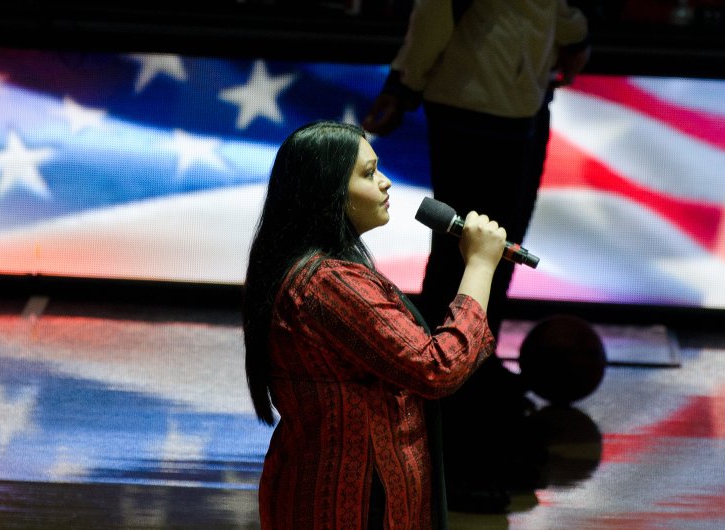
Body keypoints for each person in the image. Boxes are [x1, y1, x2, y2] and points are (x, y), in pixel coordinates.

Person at [362, 0, 591, 509]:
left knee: (491, 263)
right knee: (461, 267)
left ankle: (469, 405)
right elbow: (437, 9)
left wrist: (575, 36)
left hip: (524, 99)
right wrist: (404, 83)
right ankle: (448, 449)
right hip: (474, 103)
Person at [242, 120, 508, 529]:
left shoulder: (329, 273)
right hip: (348, 506)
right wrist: (480, 265)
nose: (385, 183)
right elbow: (437, 368)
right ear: (328, 192)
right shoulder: (328, 284)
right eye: (368, 174)